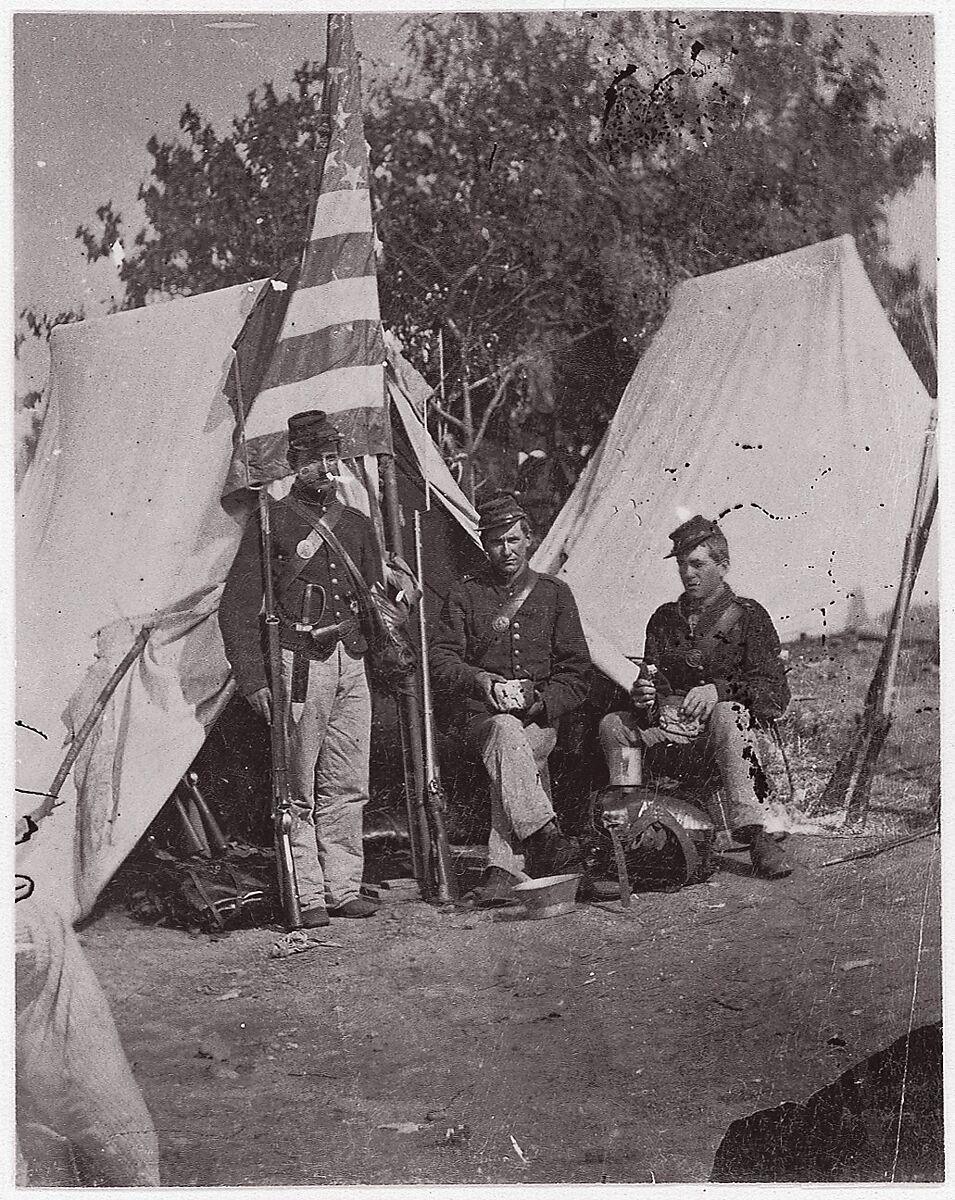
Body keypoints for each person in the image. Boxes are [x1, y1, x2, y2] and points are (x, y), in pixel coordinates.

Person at [219, 410, 382, 926]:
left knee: (348, 781)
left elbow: (375, 598)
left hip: (351, 661)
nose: (327, 467)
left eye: (332, 457)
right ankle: (307, 894)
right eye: (315, 459)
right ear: (295, 463)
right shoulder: (272, 522)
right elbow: (238, 607)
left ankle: (343, 886)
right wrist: (253, 679)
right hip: (298, 663)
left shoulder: (356, 525)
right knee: (298, 789)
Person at [598, 514, 793, 879]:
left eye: (698, 564)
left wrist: (717, 691)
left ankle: (757, 836)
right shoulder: (663, 620)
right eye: (682, 565)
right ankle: (630, 834)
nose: (688, 574)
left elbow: (774, 692)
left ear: (723, 566)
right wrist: (646, 699)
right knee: (614, 725)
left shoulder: (749, 617)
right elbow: (655, 685)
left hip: (733, 738)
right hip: (675, 734)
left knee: (728, 713)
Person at [430, 491, 591, 905]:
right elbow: (441, 660)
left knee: (516, 747)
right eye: (497, 541)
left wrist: (538, 700)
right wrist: (482, 680)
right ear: (485, 545)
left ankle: (504, 868)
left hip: (539, 722)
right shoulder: (465, 595)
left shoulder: (555, 594)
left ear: (529, 540)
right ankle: (544, 837)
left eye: (514, 540)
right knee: (504, 731)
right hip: (481, 722)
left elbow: (577, 674)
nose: (507, 550)